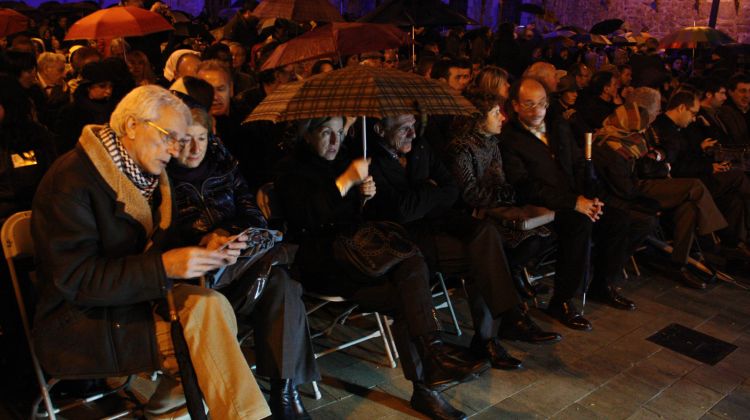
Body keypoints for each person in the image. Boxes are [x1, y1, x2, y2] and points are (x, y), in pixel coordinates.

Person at [30, 85, 270, 419]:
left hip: (130, 302)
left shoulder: (146, 177)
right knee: (208, 337)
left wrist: (200, 249)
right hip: (78, 321)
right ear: (131, 126)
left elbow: (150, 252)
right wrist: (166, 266)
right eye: (168, 136)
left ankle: (169, 410)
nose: (175, 150)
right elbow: (75, 279)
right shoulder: (71, 181)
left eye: (181, 139)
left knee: (213, 308)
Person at [275, 116, 488, 420]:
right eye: (326, 133)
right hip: (323, 263)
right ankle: (431, 367)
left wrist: (364, 198)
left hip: (358, 256)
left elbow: (357, 217)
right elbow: (309, 216)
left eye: (339, 132)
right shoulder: (291, 168)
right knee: (410, 276)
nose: (336, 141)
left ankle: (429, 370)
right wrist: (346, 182)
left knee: (411, 269)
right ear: (307, 135)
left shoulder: (344, 161)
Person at [366, 112, 561, 368]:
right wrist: (429, 189)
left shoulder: (420, 146)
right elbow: (400, 212)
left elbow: (451, 189)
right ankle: (496, 331)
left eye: (413, 125)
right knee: (481, 256)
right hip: (406, 238)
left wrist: (425, 195)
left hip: (441, 221)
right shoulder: (369, 159)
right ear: (381, 130)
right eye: (404, 128)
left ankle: (501, 324)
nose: (412, 133)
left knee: (484, 234)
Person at [168, 100, 319, 419]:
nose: (196, 148)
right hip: (194, 281)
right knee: (280, 280)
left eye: (203, 138)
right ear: (172, 139)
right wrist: (202, 240)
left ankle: (284, 391)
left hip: (239, 271)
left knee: (283, 284)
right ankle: (279, 395)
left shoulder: (225, 166)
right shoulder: (161, 177)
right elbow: (162, 235)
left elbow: (253, 214)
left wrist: (227, 230)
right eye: (186, 139)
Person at [500, 78, 638, 332]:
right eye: (529, 104)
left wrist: (590, 196)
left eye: (541, 103)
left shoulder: (557, 126)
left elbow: (577, 162)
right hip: (542, 205)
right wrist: (574, 203)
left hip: (574, 197)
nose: (537, 110)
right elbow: (525, 185)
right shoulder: (510, 138)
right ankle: (562, 300)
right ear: (516, 106)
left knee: (618, 218)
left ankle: (603, 284)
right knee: (579, 224)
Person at [593, 102, 727, 288]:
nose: (657, 115)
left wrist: (660, 157)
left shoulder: (635, 137)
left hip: (648, 181)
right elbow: (643, 169)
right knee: (695, 186)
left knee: (688, 207)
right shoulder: (612, 142)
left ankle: (678, 263)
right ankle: (711, 243)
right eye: (655, 110)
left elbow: (662, 156)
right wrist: (662, 162)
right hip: (637, 188)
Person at [648, 88, 750, 262]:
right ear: (681, 108)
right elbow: (677, 165)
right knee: (737, 177)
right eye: (692, 113)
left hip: (694, 175)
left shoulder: (677, 129)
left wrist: (705, 158)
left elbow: (685, 156)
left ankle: (733, 243)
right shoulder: (667, 130)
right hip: (686, 180)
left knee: (734, 199)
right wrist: (709, 167)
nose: (694, 118)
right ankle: (718, 245)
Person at [717, 73, 750, 146]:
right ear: (730, 92)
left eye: (749, 91)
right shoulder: (725, 112)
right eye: (742, 91)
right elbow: (738, 141)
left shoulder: (746, 109)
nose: (747, 95)